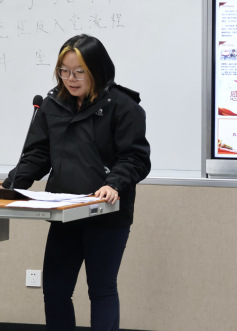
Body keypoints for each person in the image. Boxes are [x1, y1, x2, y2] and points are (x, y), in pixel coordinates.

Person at [1, 34, 151, 330]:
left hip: (105, 212)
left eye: (79, 71)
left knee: (101, 289)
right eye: (64, 71)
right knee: (55, 291)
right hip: (65, 212)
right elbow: (38, 154)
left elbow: (135, 158)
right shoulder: (52, 104)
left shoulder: (123, 106)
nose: (70, 79)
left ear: (97, 69)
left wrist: (113, 183)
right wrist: (10, 185)